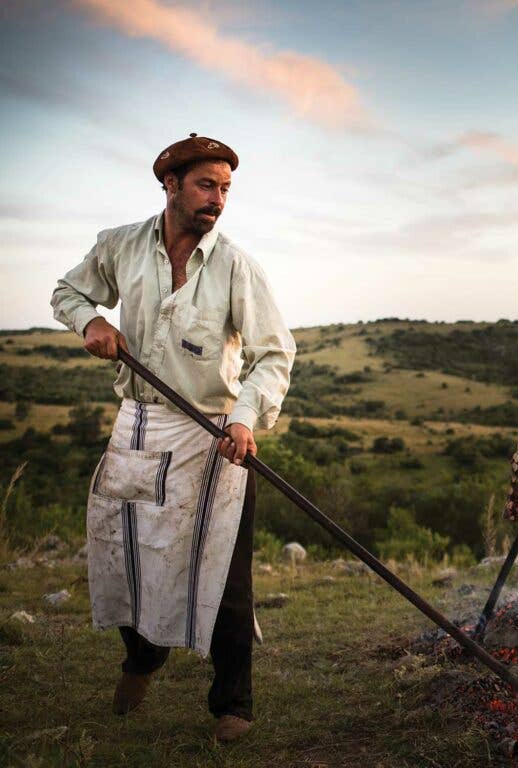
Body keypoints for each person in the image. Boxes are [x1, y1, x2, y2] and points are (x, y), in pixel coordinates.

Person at [51, 134, 295, 742]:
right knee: (125, 554)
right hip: (138, 423)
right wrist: (93, 320)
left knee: (227, 575)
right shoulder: (121, 246)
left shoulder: (237, 265)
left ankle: (232, 703)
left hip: (214, 434)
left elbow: (274, 354)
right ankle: (142, 660)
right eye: (206, 186)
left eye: (225, 189)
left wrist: (244, 419)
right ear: (170, 186)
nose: (217, 200)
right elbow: (68, 292)